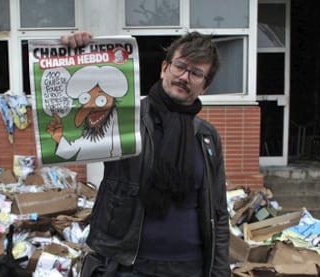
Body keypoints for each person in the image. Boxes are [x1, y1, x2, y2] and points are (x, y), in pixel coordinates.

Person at [60, 31, 230, 277]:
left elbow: (219, 212)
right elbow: (70, 125)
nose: (184, 77)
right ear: (164, 68)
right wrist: (74, 53)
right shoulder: (124, 119)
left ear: (205, 85)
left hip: (190, 269)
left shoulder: (207, 136)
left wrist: (220, 271)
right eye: (180, 66)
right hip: (129, 267)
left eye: (195, 73)